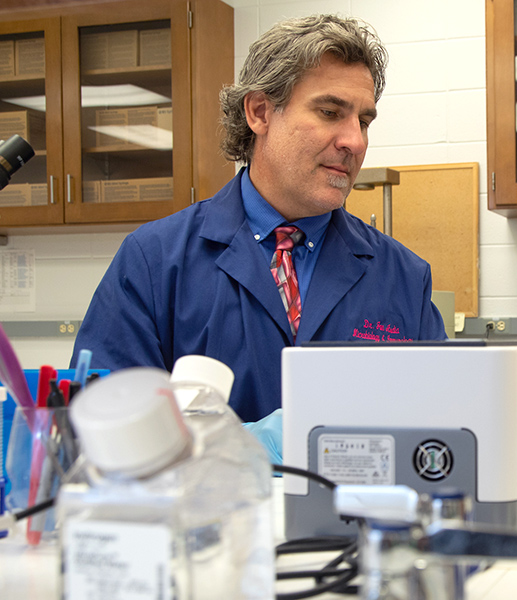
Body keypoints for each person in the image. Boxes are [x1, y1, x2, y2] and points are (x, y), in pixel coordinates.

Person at [72, 15, 447, 463]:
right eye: (330, 112)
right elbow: (101, 433)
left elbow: (444, 433)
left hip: (356, 528)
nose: (354, 140)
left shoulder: (403, 276)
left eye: (363, 120)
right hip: (210, 526)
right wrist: (226, 450)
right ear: (260, 112)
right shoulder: (155, 261)